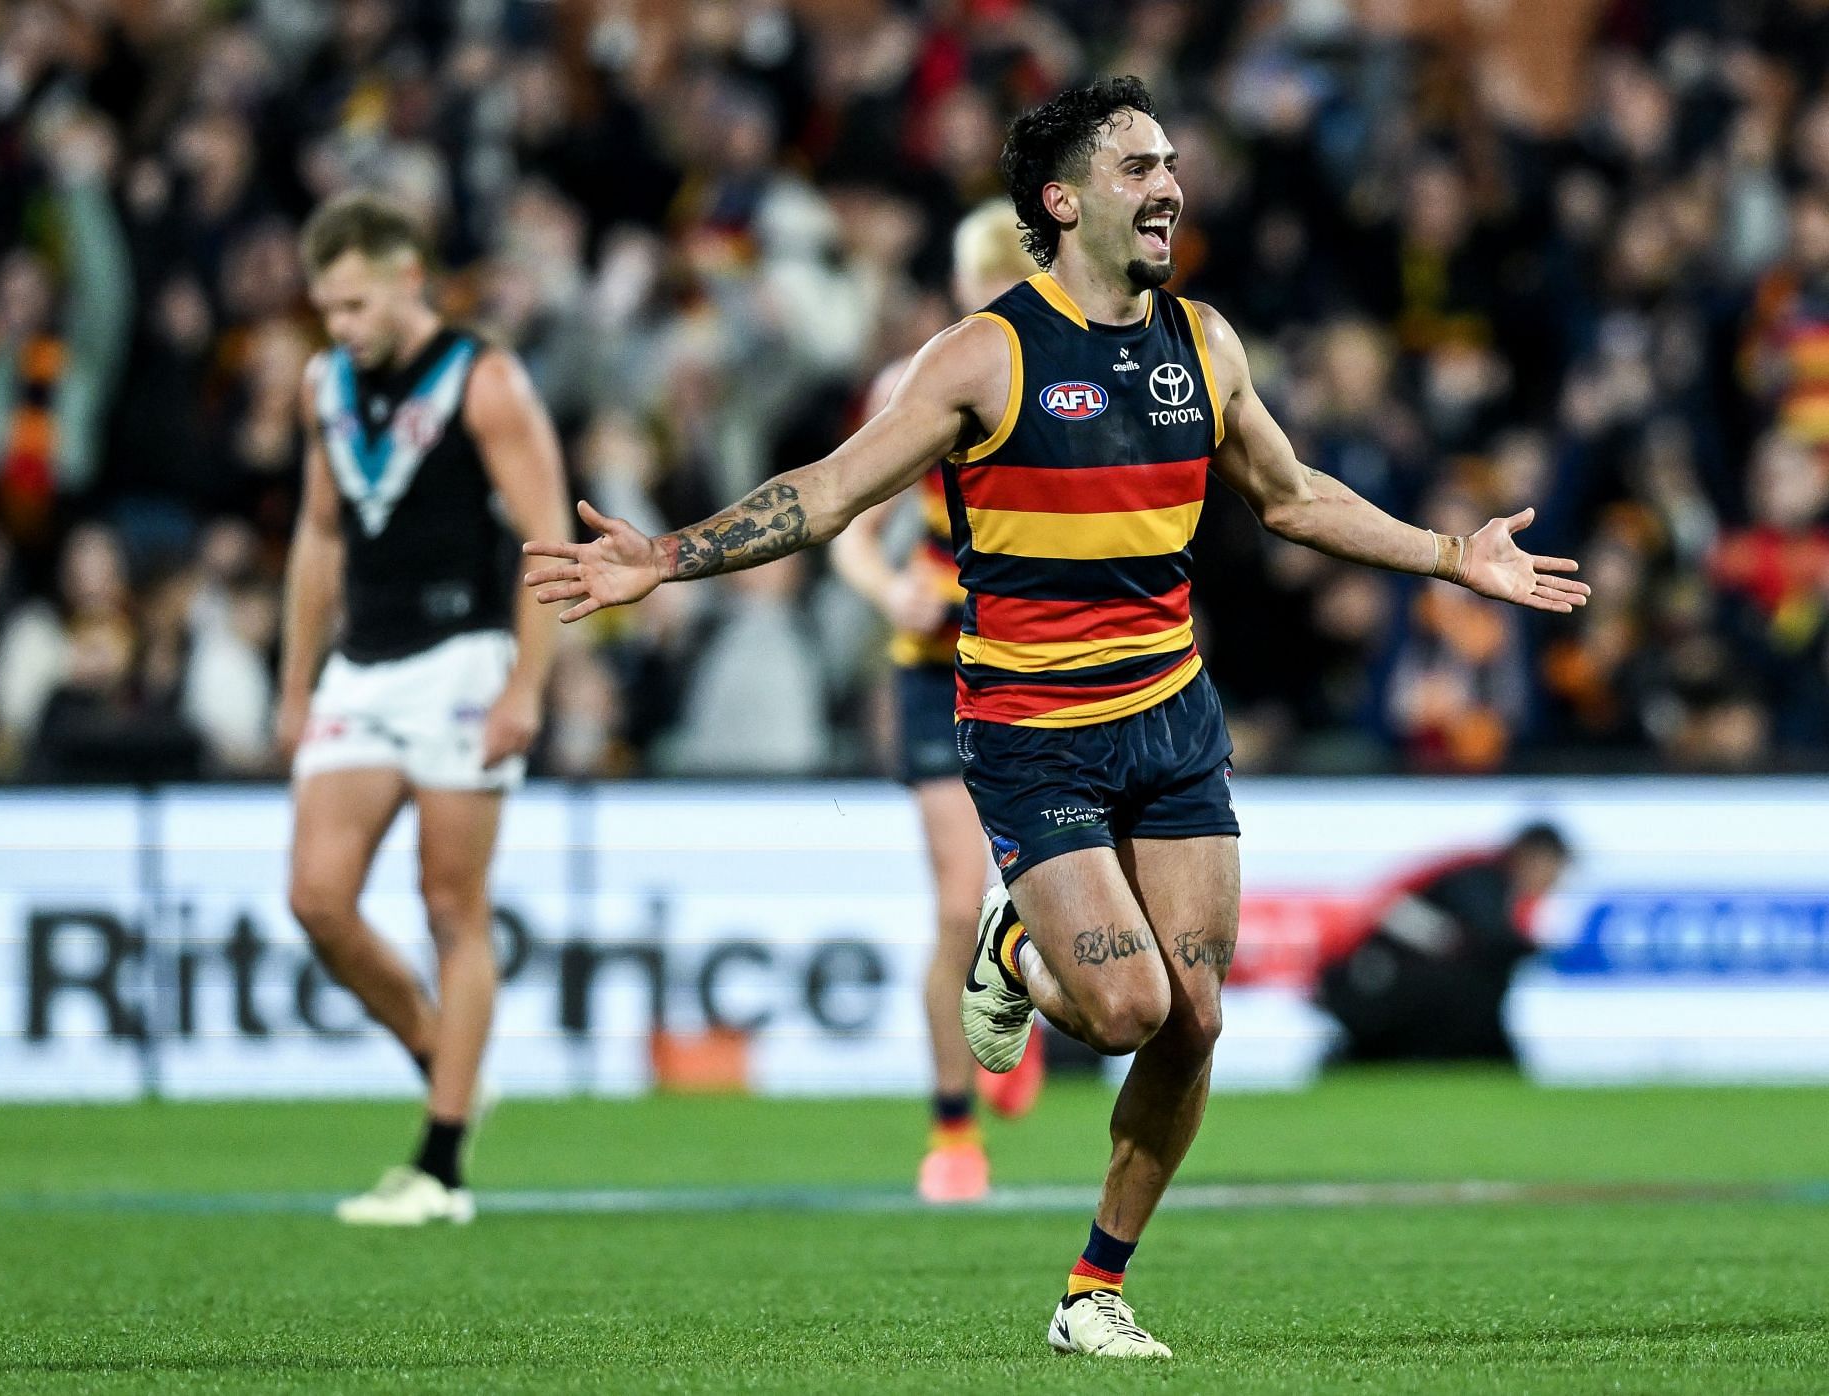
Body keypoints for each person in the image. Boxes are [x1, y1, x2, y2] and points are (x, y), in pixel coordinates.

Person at [522, 77, 1589, 1356]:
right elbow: (831, 490)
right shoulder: (985, 354)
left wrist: (1447, 553)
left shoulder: (1207, 342)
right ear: (1063, 197)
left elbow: (1292, 495)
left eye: (1174, 162)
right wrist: (671, 555)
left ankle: (1094, 1291)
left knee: (1196, 1021)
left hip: (1172, 716)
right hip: (1033, 729)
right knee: (1128, 1008)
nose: (1170, 185)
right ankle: (1015, 954)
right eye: (1139, 165)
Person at [276, 193, 570, 1226]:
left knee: (452, 905)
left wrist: (527, 685)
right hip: (364, 663)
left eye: (354, 305)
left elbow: (547, 539)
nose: (340, 328)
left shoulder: (482, 379)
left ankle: (441, 1165)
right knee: (317, 896)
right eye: (327, 310)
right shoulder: (325, 383)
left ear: (408, 279)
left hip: (462, 660)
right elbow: (317, 534)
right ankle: (442, 1055)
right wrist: (295, 677)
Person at [831, 198, 1045, 1205]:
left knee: (1050, 895)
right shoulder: (915, 383)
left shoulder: (1071, 379)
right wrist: (890, 591)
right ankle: (953, 1127)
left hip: (1041, 663)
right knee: (958, 902)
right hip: (937, 665)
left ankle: (1019, 985)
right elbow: (844, 526)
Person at [1319, 822, 1572, 1062]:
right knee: (1475, 985)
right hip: (1366, 984)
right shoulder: (1480, 880)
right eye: (1555, 868)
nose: (1555, 880)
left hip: (1391, 985)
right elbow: (1489, 939)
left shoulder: (1490, 882)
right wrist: (1542, 951)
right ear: (1532, 858)